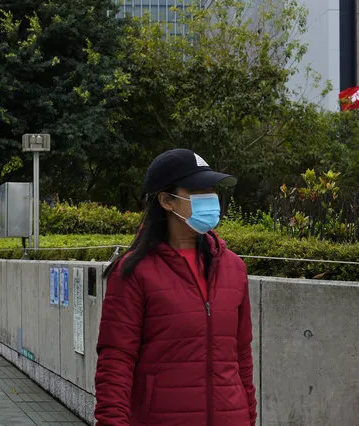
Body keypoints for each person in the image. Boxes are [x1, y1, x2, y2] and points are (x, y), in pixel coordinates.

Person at [94, 149, 257, 425]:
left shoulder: (234, 268)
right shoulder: (134, 272)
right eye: (197, 189)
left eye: (211, 188)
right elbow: (116, 361)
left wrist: (248, 417)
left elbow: (241, 356)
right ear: (166, 200)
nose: (210, 196)